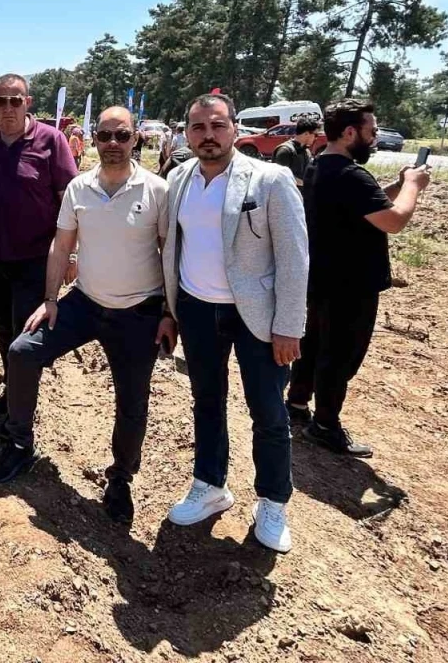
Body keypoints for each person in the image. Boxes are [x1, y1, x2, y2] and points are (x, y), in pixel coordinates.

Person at [0, 107, 175, 524]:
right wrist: (50, 299)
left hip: (138, 313)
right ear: (93, 139)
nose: (112, 143)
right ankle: (20, 444)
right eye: (104, 135)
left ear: (136, 139)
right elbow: (61, 243)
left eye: (121, 135)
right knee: (22, 351)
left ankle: (121, 478)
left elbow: (169, 254)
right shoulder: (79, 188)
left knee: (132, 401)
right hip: (85, 303)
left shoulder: (157, 191)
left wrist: (168, 312)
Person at [162, 93, 308, 553]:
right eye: (198, 127)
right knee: (207, 401)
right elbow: (172, 248)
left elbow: (294, 258)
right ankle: (210, 485)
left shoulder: (270, 180)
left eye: (217, 126)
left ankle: (272, 501)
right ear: (188, 134)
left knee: (268, 412)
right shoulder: (179, 178)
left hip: (256, 317)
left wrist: (289, 326)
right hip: (197, 309)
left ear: (235, 130)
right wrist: (169, 310)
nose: (208, 135)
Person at [288, 99, 430, 457]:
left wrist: (397, 186)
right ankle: (325, 425)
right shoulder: (351, 175)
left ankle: (297, 403)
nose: (375, 137)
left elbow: (370, 205)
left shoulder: (320, 165)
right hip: (351, 285)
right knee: (340, 354)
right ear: (350, 132)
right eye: (372, 130)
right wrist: (413, 185)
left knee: (313, 343)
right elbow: (393, 221)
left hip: (321, 278)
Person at [0, 73, 77, 418]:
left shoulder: (51, 140)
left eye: (15, 100)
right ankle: (13, 390)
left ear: (27, 103)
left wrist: (71, 252)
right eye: (1, 101)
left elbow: (70, 201)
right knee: (3, 328)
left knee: (24, 335)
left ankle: (20, 412)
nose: (8, 107)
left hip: (35, 259)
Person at [273, 118, 319, 188]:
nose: (316, 138)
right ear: (306, 133)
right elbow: (281, 176)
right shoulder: (285, 150)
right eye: (315, 135)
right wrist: (304, 183)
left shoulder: (306, 151)